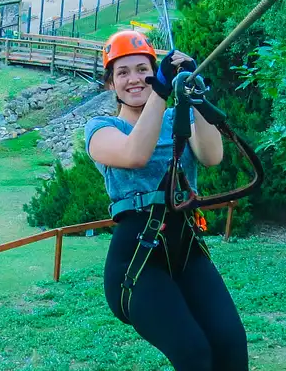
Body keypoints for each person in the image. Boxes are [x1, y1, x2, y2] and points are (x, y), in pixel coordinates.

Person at [85, 30, 247, 371]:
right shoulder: (101, 129)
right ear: (110, 85)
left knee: (230, 344)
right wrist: (161, 89)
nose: (134, 79)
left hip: (185, 250)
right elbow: (135, 155)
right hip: (137, 262)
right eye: (122, 72)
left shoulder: (179, 120)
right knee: (193, 354)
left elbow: (212, 155)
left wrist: (195, 92)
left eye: (142, 69)